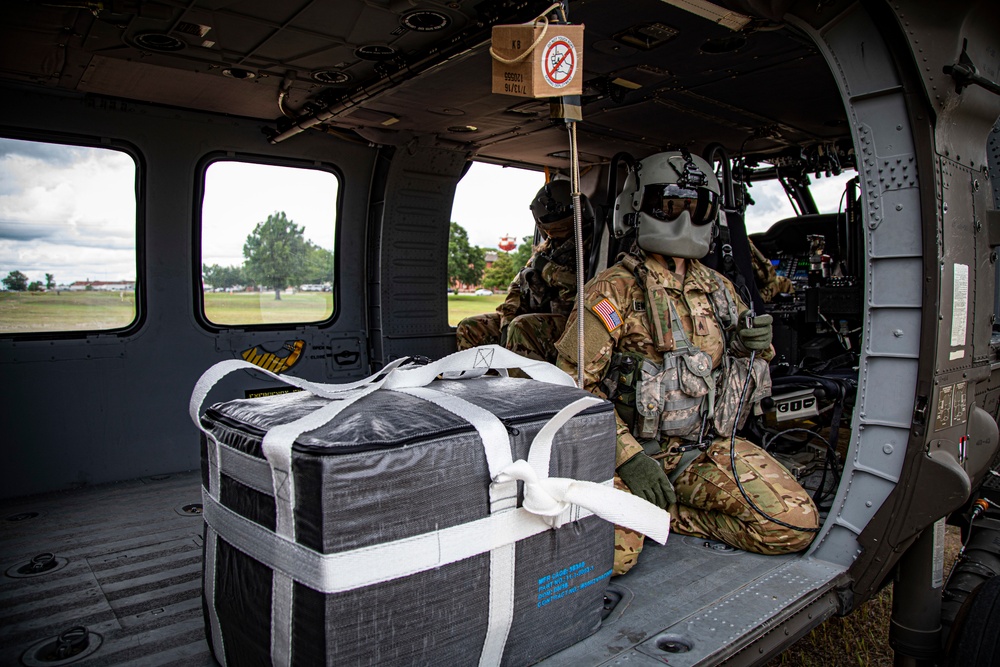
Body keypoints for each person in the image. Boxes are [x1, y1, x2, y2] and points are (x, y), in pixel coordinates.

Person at [554, 150, 818, 576]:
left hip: (700, 451)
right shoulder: (612, 292)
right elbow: (570, 388)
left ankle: (667, 519)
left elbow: (741, 368)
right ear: (638, 209)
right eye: (670, 205)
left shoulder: (719, 289)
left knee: (791, 524)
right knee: (613, 559)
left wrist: (755, 346)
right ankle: (638, 514)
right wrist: (628, 458)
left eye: (698, 208)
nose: (684, 220)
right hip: (629, 455)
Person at [456, 179, 593, 363]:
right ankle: (481, 386)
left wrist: (547, 269)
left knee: (521, 326)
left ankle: (520, 390)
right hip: (537, 319)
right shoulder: (546, 251)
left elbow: (584, 286)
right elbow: (516, 289)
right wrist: (506, 323)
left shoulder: (592, 247)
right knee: (470, 326)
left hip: (574, 323)